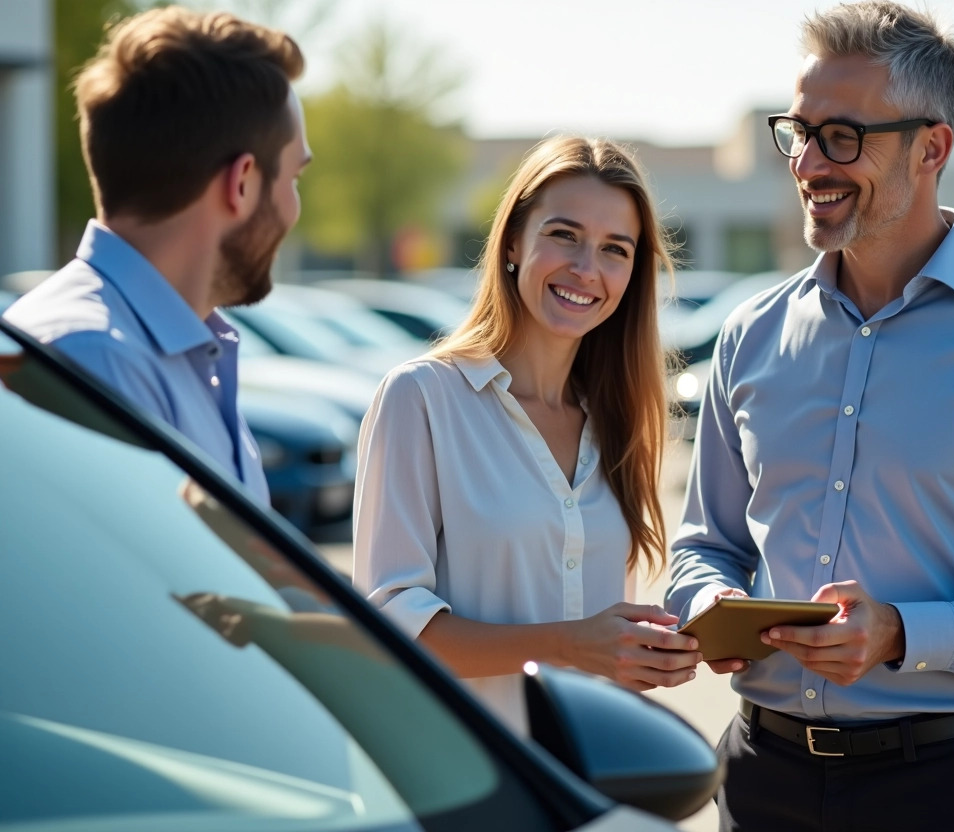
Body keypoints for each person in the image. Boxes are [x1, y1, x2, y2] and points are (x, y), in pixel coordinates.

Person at [664, 3, 954, 830]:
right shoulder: (750, 333)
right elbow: (709, 543)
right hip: (761, 778)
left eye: (842, 136)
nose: (809, 162)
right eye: (799, 131)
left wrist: (904, 634)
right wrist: (705, 603)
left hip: (951, 789)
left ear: (933, 147)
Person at [352, 135, 701, 735]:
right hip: (471, 780)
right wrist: (571, 645)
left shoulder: (619, 421)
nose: (587, 269)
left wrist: (642, 653)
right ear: (514, 241)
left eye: (614, 249)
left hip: (590, 776)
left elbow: (603, 640)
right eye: (564, 235)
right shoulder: (422, 399)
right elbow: (391, 624)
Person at [3, 6, 310, 502]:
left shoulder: (165, 353)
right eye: (294, 178)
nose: (296, 208)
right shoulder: (94, 359)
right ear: (242, 183)